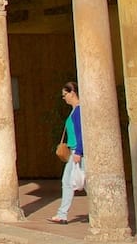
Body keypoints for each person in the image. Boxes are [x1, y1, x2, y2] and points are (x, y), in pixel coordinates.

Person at [49, 82, 85, 224]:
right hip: (73, 150)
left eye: (65, 95)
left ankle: (62, 214)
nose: (64, 98)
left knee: (76, 182)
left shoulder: (78, 111)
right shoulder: (74, 110)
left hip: (77, 151)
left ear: (73, 93)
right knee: (71, 181)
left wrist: (79, 151)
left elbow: (81, 132)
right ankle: (62, 214)